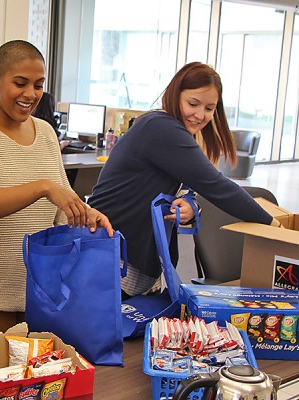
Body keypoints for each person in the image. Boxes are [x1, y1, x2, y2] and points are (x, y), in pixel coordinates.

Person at [0, 40, 113, 337]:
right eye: (20, 83)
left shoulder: (45, 133)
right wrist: (41, 188)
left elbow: (60, 211)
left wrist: (86, 214)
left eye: (38, 84)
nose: (31, 94)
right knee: (0, 379)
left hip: (40, 291)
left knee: (43, 378)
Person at [87, 61, 281, 300]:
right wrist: (274, 225)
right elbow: (216, 185)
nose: (201, 115)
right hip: (114, 253)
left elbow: (188, 185)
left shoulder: (173, 130)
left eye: (210, 108)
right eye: (193, 103)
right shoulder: (161, 127)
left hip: (133, 252)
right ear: (174, 94)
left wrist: (191, 203)